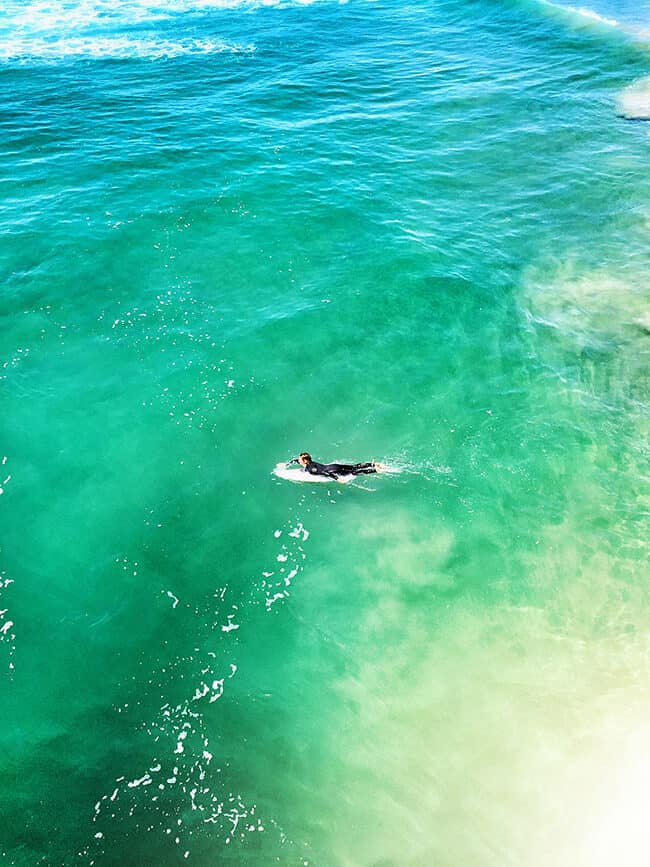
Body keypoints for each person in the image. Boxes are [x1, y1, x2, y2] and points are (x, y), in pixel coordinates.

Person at [289, 452, 381, 481]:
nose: (299, 460)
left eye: (300, 459)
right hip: (333, 466)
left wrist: (337, 479)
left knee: (354, 472)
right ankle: (373, 464)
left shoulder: (311, 469)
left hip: (334, 470)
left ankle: (375, 470)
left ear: (305, 461)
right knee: (354, 467)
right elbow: (296, 460)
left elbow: (326, 473)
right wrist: (287, 464)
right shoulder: (310, 463)